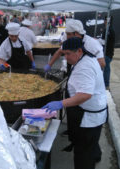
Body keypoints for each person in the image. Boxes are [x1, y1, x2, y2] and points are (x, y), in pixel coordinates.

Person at [42, 37, 107, 169]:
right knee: (90, 145)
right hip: (93, 112)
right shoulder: (85, 58)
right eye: (64, 54)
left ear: (78, 50)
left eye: (68, 54)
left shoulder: (85, 67)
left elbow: (85, 94)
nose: (65, 57)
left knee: (83, 153)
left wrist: (61, 103)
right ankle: (95, 155)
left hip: (88, 117)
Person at [99, 16, 115, 90]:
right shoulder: (107, 29)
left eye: (105, 20)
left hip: (108, 53)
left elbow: (106, 42)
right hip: (106, 52)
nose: (104, 21)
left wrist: (97, 40)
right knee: (104, 68)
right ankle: (105, 83)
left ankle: (106, 85)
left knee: (106, 69)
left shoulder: (109, 30)